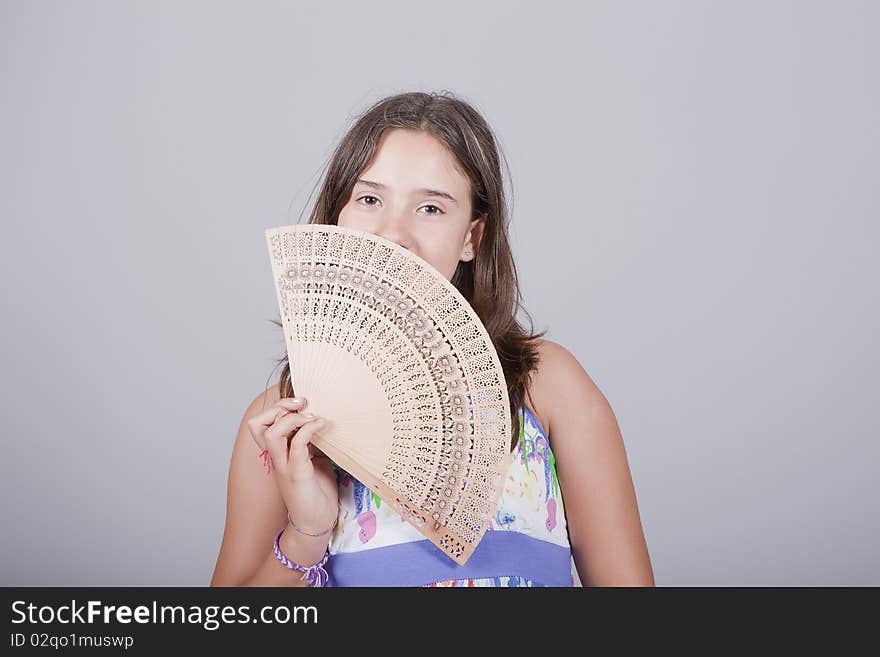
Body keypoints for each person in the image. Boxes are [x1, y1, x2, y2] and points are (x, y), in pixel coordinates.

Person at [210, 91, 655, 587]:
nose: (393, 234)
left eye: (431, 208)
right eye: (370, 199)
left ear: (472, 238)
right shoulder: (281, 424)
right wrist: (307, 532)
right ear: (338, 216)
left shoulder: (547, 385)